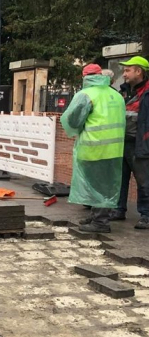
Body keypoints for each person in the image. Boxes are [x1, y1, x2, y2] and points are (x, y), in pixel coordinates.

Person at [60, 63, 126, 233]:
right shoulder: (116, 95)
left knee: (95, 185)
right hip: (115, 149)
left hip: (93, 147)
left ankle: (100, 222)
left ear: (85, 77)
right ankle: (98, 216)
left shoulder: (86, 94)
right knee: (106, 185)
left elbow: (73, 121)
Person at [110, 56, 149, 229]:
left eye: (128, 70)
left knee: (144, 180)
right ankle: (119, 210)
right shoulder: (124, 91)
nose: (124, 74)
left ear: (138, 71)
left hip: (140, 143)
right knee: (120, 178)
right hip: (122, 142)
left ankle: (146, 214)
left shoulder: (146, 93)